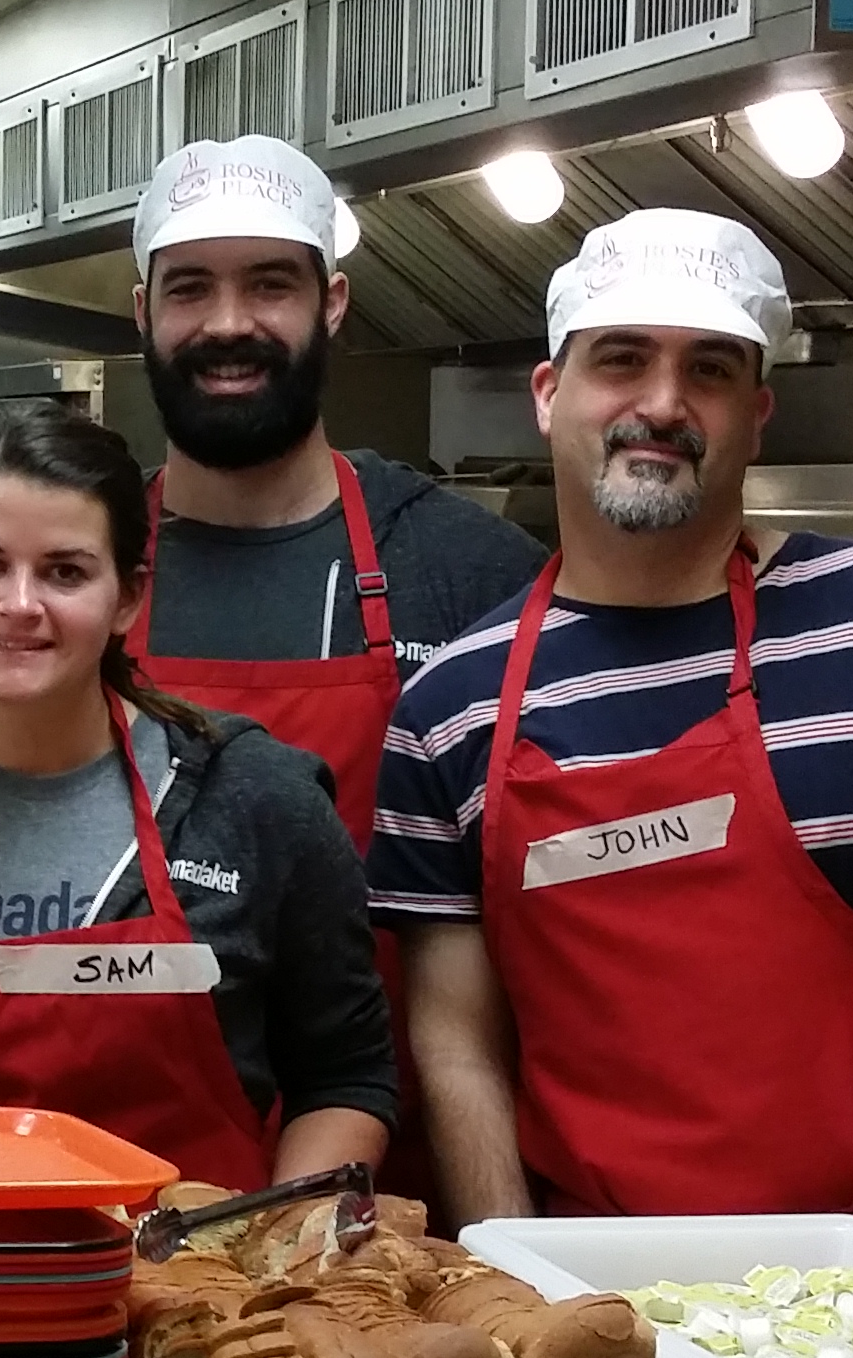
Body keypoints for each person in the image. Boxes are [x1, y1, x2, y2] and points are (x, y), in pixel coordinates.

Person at [371, 209, 853, 1287]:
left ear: (757, 411)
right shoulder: (450, 708)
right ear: (550, 395)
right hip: (614, 1321)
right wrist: (518, 1281)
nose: (663, 404)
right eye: (622, 359)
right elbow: (458, 1042)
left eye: (712, 370)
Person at [0, 406, 393, 1193]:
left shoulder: (262, 799)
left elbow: (346, 1077)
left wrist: (272, 1249)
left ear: (128, 597)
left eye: (65, 572)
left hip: (192, 1289)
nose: (20, 605)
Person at [129, 134, 544, 845]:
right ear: (144, 313)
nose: (229, 323)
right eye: (190, 287)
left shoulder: (476, 576)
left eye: (271, 284)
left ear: (332, 304)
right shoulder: (69, 570)